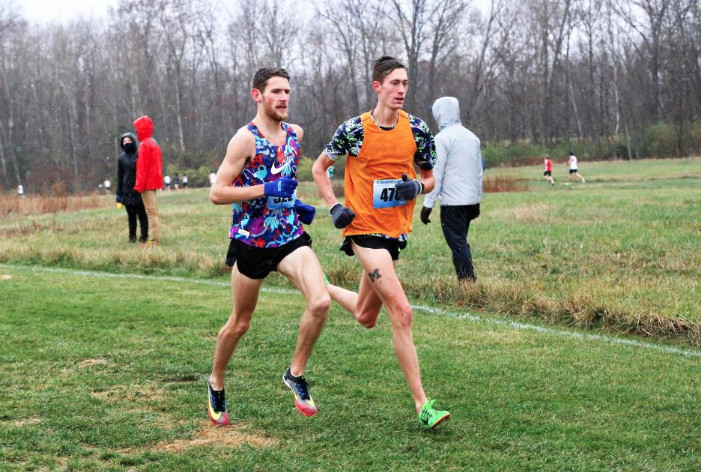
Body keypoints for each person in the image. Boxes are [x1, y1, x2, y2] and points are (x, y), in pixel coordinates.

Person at [312, 56, 450, 429]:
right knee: (402, 312)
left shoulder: (417, 130)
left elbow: (430, 178)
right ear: (377, 86)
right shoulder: (354, 130)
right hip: (362, 230)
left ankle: (320, 286)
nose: (401, 90)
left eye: (405, 83)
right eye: (394, 83)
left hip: (395, 232)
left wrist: (416, 186)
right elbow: (319, 168)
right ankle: (423, 405)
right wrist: (334, 206)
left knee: (365, 316)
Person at [206, 67, 329, 427]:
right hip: (252, 240)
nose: (283, 97)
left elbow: (282, 178)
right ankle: (216, 381)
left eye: (287, 91)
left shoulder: (295, 134)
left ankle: (295, 373)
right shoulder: (244, 139)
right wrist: (266, 191)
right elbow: (218, 192)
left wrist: (294, 203)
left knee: (320, 302)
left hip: (288, 235)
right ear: (257, 95)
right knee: (240, 323)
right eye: (276, 91)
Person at [420, 96, 483, 283]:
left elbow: (436, 175)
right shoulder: (472, 138)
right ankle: (466, 279)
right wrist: (477, 200)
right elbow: (479, 172)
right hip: (470, 202)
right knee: (460, 241)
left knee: (458, 243)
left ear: (439, 114)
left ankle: (467, 281)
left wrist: (428, 205)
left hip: (452, 204)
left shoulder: (441, 139)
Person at [133, 115, 163, 246]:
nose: (136, 132)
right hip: (154, 181)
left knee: (151, 212)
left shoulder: (144, 145)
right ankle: (155, 238)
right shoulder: (153, 143)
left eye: (137, 129)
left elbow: (142, 168)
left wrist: (138, 186)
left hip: (147, 183)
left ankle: (154, 240)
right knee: (154, 211)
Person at [116, 132, 148, 244]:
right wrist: (119, 193)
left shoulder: (140, 154)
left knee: (142, 215)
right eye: (124, 141)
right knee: (131, 217)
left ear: (133, 141)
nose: (126, 143)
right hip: (126, 191)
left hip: (139, 190)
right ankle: (132, 238)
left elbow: (144, 172)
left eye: (129, 140)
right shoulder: (121, 158)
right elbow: (120, 176)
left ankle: (144, 237)